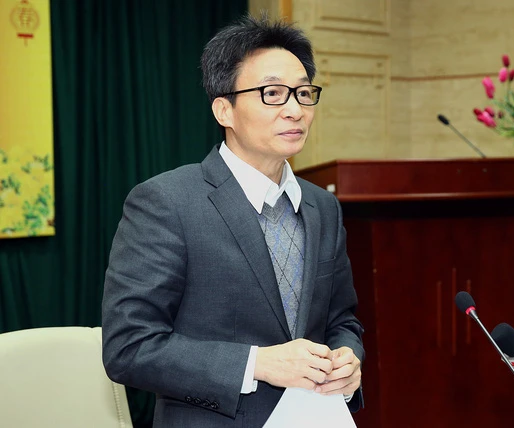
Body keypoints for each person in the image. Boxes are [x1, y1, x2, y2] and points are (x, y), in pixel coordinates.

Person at [101, 15, 364, 427]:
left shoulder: (322, 206)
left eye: (303, 93)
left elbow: (341, 320)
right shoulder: (167, 202)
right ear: (224, 109)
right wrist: (258, 364)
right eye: (272, 93)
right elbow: (129, 347)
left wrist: (348, 360)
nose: (295, 110)